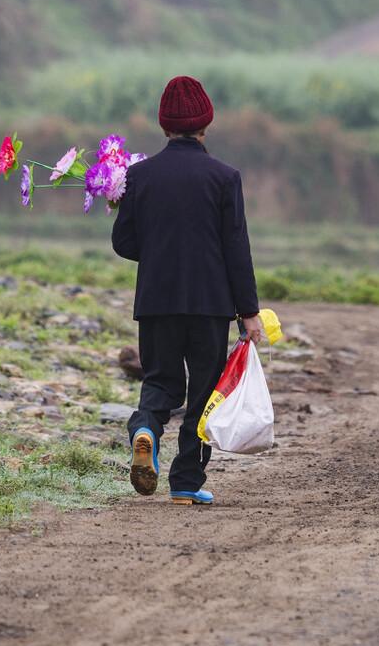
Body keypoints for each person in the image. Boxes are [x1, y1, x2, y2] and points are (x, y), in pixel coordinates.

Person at [112, 75, 264, 506]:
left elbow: (123, 243)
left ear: (163, 126)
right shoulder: (224, 177)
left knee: (160, 382)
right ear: (205, 125)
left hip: (157, 302)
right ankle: (185, 481)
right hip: (209, 305)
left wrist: (159, 249)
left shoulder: (138, 176)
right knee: (204, 390)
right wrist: (248, 311)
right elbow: (237, 248)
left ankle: (145, 429)